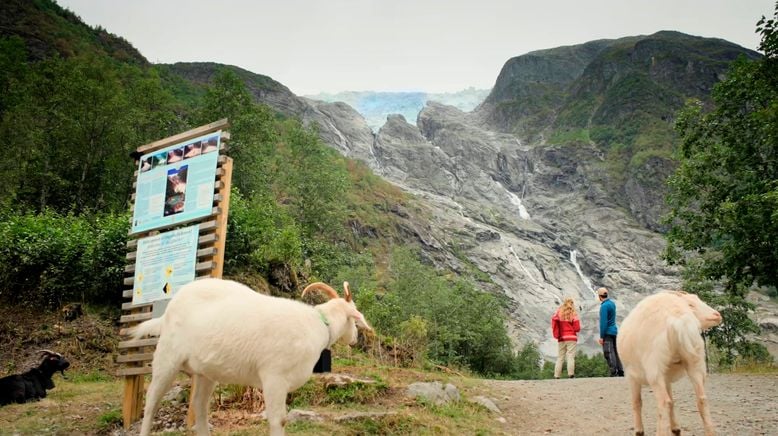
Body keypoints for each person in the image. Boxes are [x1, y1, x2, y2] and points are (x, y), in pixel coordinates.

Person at [551, 297, 581, 379]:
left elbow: (554, 322)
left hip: (561, 338)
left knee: (560, 357)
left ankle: (556, 375)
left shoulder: (559, 313)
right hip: (571, 338)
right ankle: (571, 374)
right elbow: (577, 328)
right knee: (570, 356)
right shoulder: (573, 314)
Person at [597, 287, 624, 376]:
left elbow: (603, 322)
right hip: (614, 331)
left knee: (608, 351)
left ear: (599, 296)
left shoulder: (604, 306)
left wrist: (601, 336)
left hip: (607, 332)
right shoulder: (612, 304)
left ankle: (614, 371)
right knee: (616, 351)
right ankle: (620, 370)